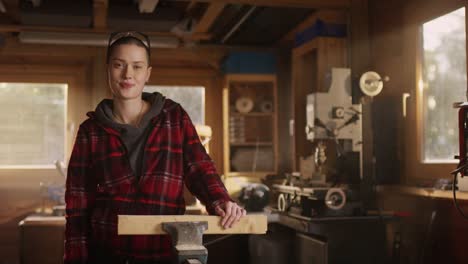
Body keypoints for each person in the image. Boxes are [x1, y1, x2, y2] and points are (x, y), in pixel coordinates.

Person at [64, 31, 246, 264]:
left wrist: (221, 201)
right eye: (119, 65)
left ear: (148, 73)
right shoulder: (90, 131)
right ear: (108, 69)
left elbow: (200, 168)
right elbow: (78, 205)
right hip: (108, 255)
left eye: (137, 66)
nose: (128, 74)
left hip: (163, 254)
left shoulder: (174, 117)